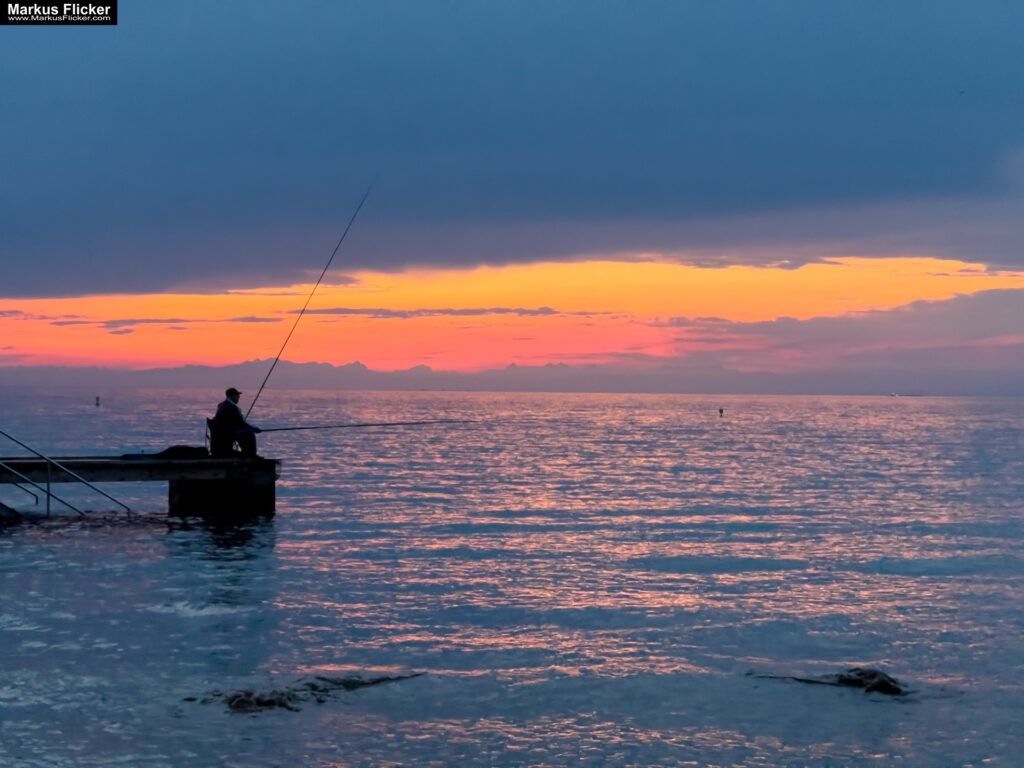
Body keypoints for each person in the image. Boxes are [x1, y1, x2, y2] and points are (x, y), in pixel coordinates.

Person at [209, 387, 262, 457]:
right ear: (232, 396)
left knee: (246, 430)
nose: (238, 398)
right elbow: (241, 423)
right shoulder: (231, 407)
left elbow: (237, 423)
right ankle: (251, 455)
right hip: (226, 434)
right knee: (249, 432)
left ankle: (248, 454)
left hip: (223, 433)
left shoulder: (222, 405)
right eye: (237, 396)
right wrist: (254, 429)